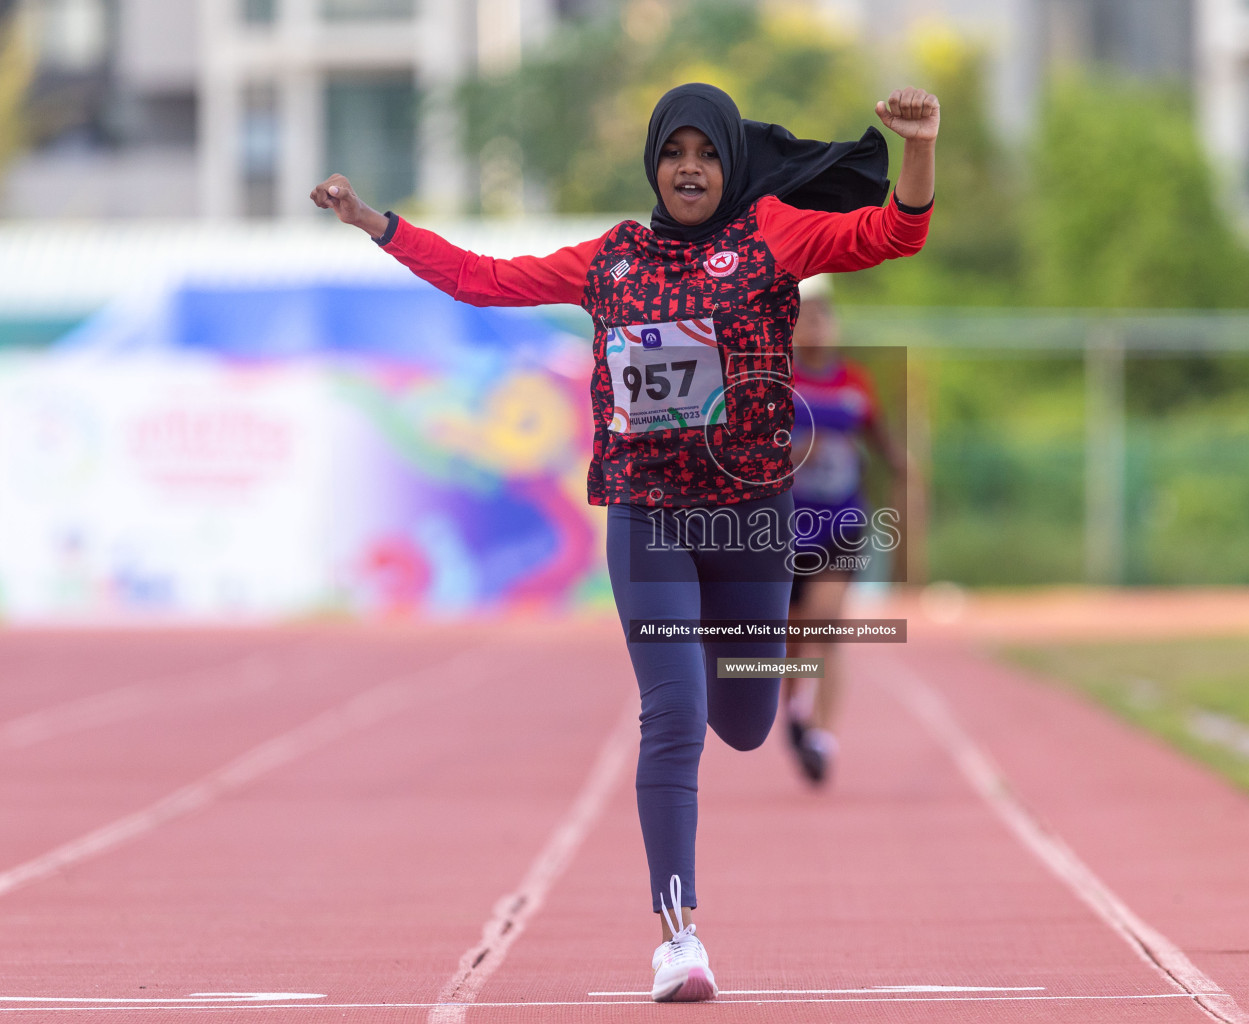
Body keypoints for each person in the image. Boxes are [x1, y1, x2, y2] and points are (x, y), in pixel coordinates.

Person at [311, 80, 939, 1003]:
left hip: (750, 520)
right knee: (674, 710)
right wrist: (377, 222)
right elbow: (487, 279)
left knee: (744, 719)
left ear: (730, 164)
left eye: (708, 154)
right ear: (652, 163)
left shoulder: (774, 236)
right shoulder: (613, 260)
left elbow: (896, 231)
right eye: (674, 154)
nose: (690, 170)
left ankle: (766, 703)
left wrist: (919, 148)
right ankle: (678, 937)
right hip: (647, 515)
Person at [781, 276, 908, 784]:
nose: (814, 326)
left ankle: (822, 737)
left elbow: (878, 436)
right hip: (785, 527)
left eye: (822, 317)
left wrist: (901, 466)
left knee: (826, 626)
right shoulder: (777, 381)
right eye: (804, 318)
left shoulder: (854, 381)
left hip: (842, 522)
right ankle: (794, 706)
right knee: (793, 639)